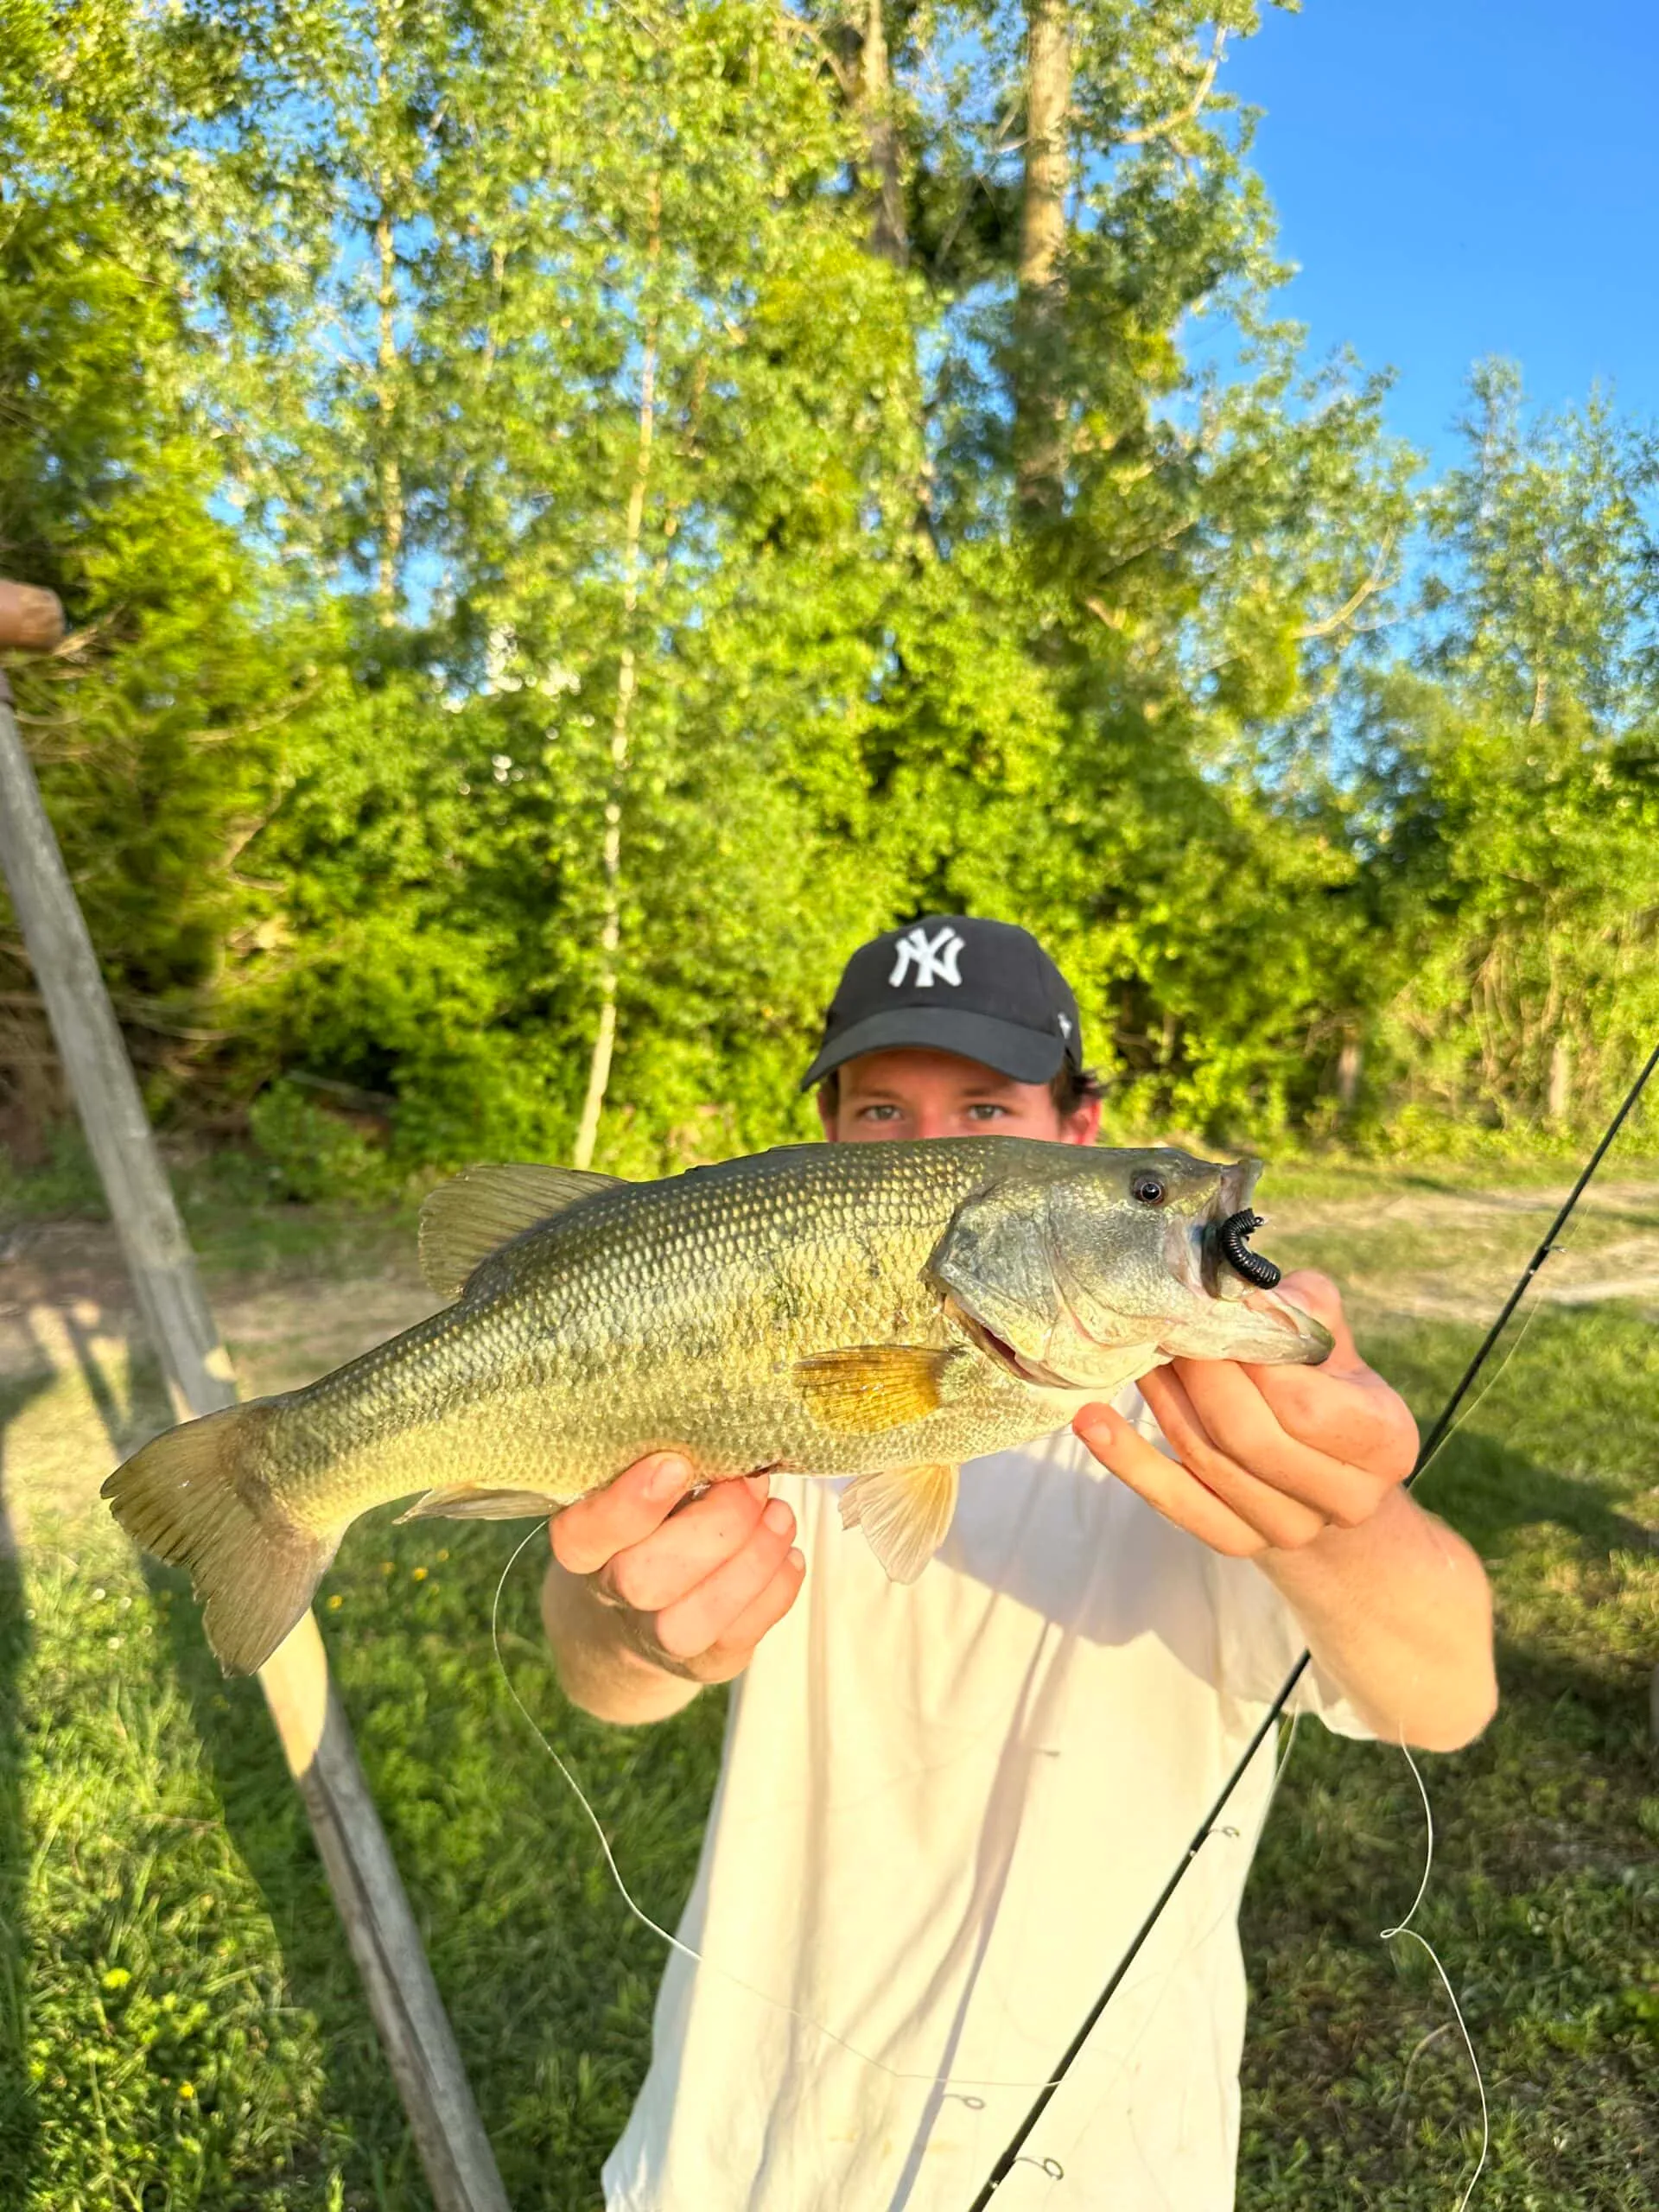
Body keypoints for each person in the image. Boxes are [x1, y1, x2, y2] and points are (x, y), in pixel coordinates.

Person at [541, 917, 1497, 2212]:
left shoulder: (1205, 1423)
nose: (933, 1146)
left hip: (1101, 2169)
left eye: (983, 1105)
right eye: (882, 1111)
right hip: (740, 2149)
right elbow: (604, 1680)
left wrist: (1341, 1522)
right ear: (830, 1138)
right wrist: (635, 1622)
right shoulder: (763, 1362)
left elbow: (1448, 1698)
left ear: (1077, 1133)